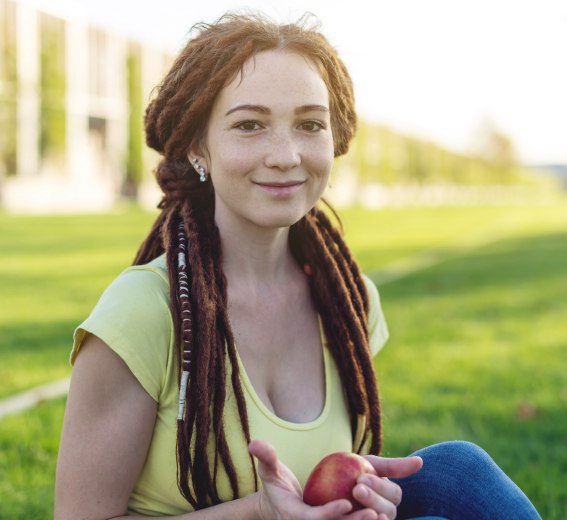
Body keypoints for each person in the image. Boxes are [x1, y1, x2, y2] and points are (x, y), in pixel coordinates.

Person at [54, 12, 541, 520]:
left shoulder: (349, 302)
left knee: (457, 470)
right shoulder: (143, 312)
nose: (286, 155)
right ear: (199, 146)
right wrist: (261, 512)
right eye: (250, 125)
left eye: (310, 125)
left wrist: (359, 496)